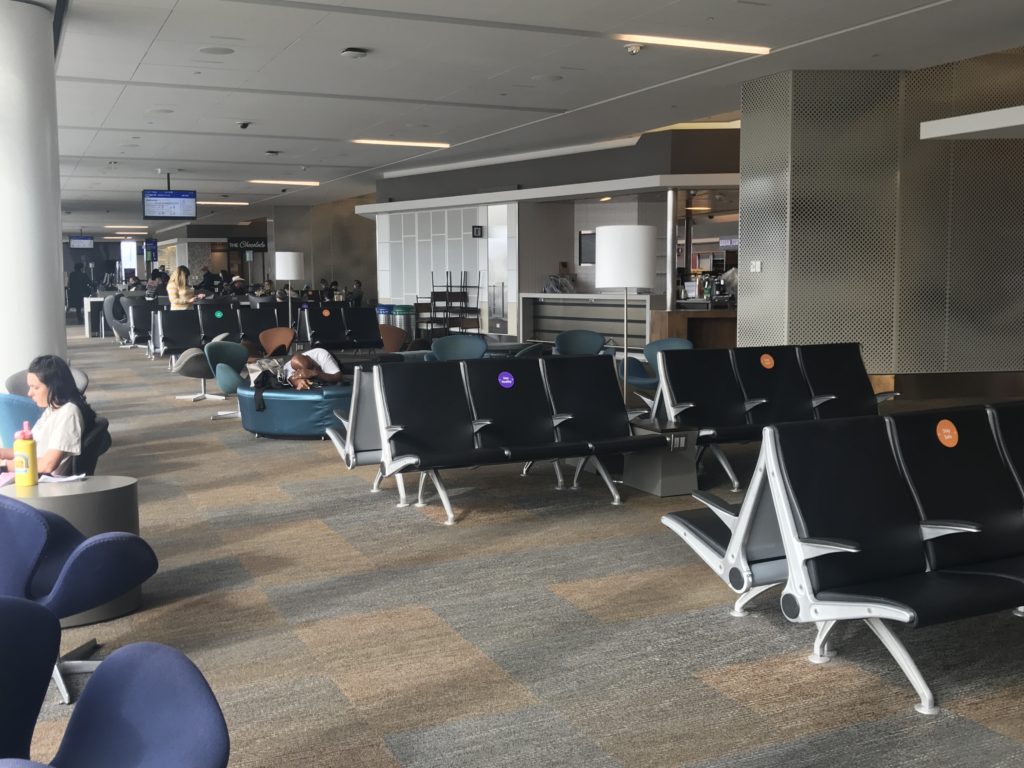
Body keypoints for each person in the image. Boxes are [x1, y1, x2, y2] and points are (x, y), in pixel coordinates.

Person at [0, 356, 96, 476]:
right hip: (33, 472)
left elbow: (48, 464)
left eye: (35, 387)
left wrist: (5, 466)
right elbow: (32, 450)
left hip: (43, 480)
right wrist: (3, 453)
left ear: (54, 386)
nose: (29, 393)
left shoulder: (69, 413)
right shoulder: (53, 408)